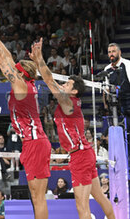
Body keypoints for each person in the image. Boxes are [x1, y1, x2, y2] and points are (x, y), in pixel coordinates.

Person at [29, 38, 115, 219]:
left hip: (80, 155)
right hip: (84, 152)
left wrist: (39, 59)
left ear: (74, 91)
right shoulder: (70, 102)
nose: (64, 84)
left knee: (81, 204)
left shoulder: (67, 101)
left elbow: (49, 80)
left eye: (67, 84)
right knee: (99, 197)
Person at [0, 19, 51, 219]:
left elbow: (2, 60)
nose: (12, 70)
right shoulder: (28, 84)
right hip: (33, 142)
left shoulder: (21, 86)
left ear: (21, 74)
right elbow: (6, 56)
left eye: (16, 69)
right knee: (36, 196)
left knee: (38, 196)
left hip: (35, 143)